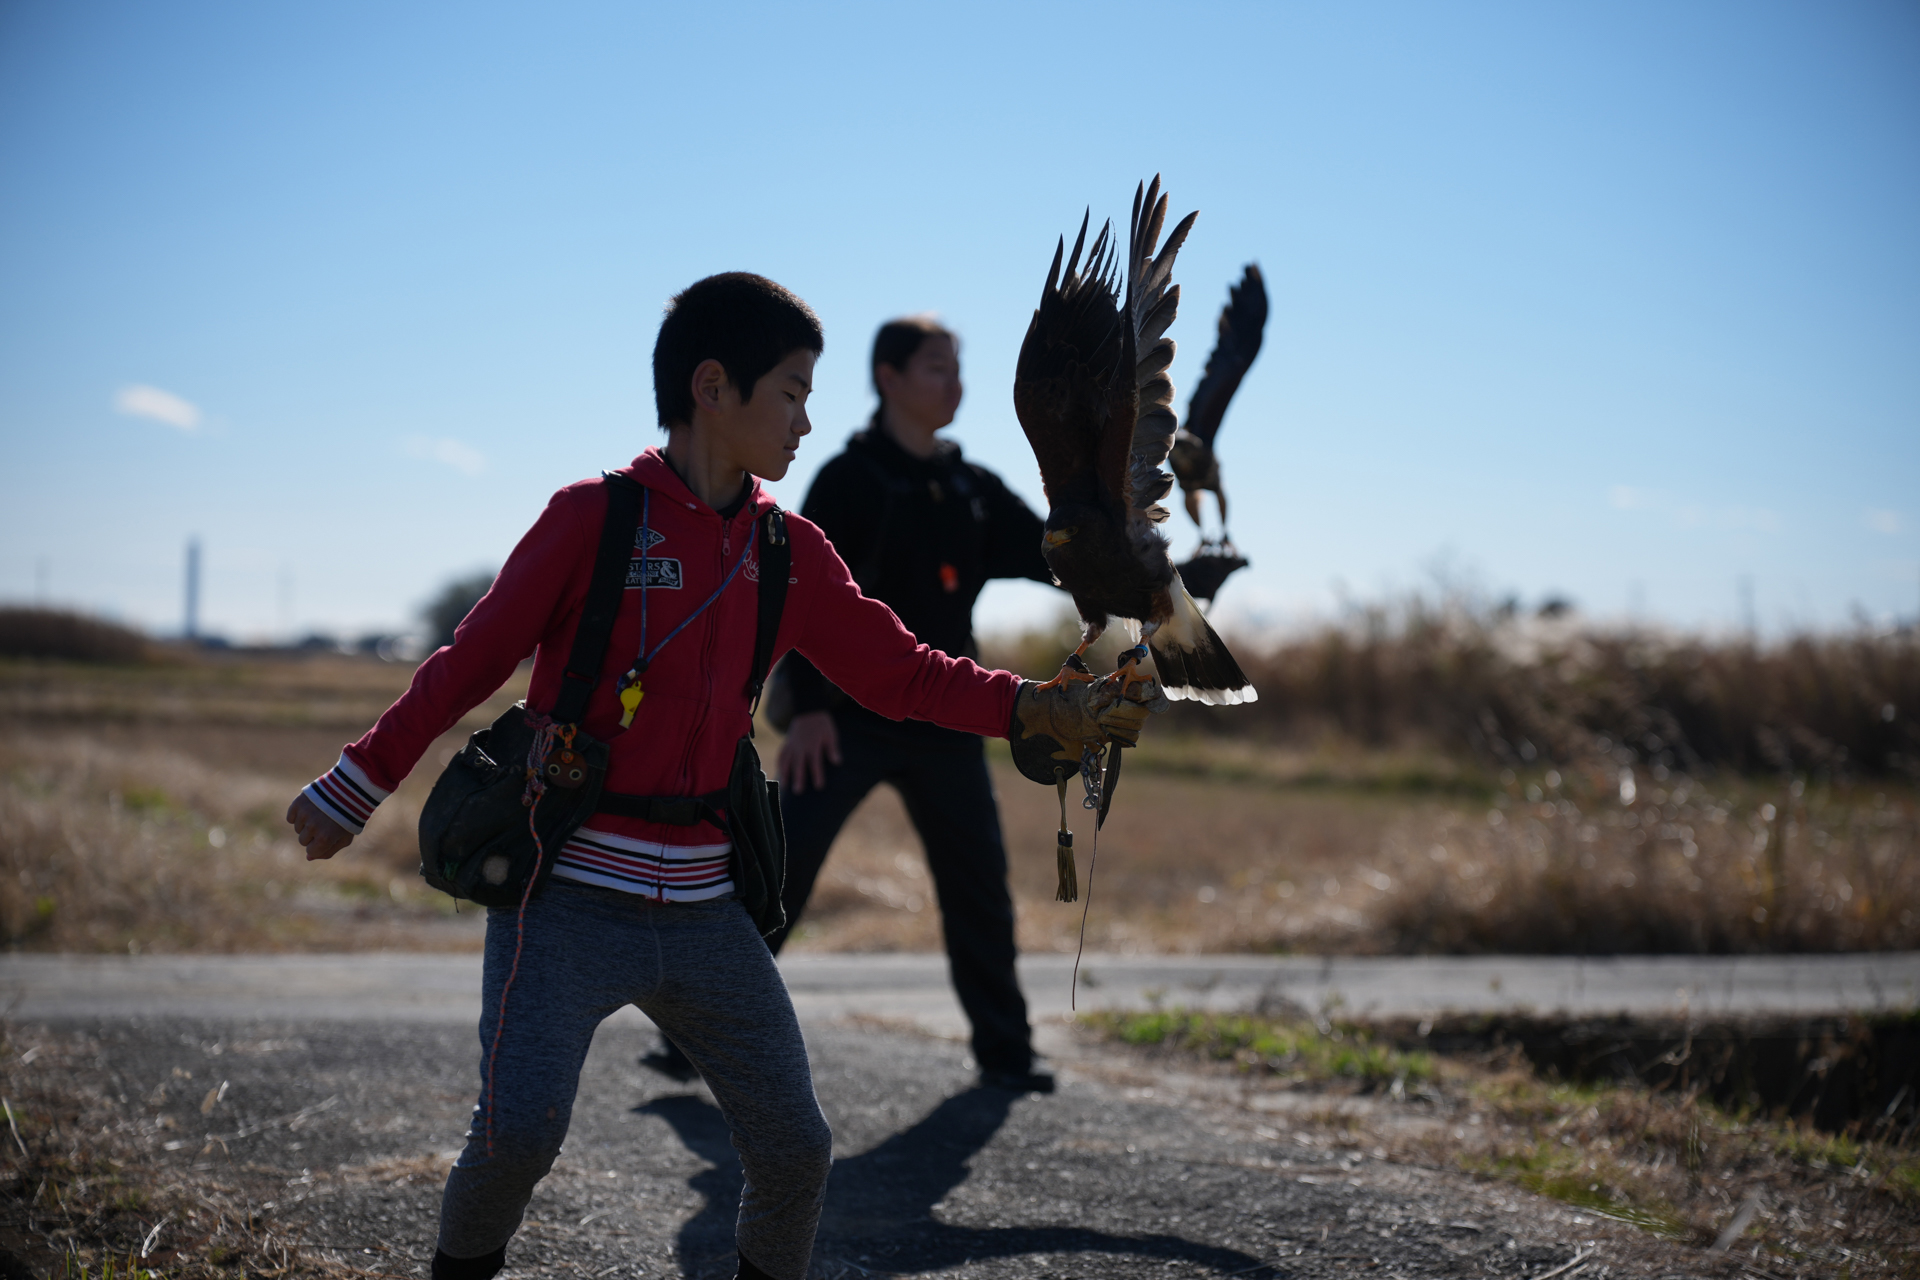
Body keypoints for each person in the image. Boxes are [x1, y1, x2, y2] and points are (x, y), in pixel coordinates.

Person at [283, 274, 1162, 1280]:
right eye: (791, 389)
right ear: (713, 386)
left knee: (796, 1150)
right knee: (516, 1135)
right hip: (562, 895)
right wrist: (355, 783)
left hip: (708, 910)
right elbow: (467, 664)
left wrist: (1033, 704)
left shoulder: (789, 549)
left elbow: (901, 669)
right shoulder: (591, 519)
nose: (806, 417)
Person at [641, 316, 1060, 1093]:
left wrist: (1159, 577)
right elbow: (785, 600)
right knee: (776, 882)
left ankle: (1006, 1054)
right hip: (840, 724)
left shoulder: (969, 488)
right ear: (888, 378)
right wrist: (803, 711)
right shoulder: (850, 479)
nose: (955, 384)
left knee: (980, 890)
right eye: (937, 368)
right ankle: (689, 1040)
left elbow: (1054, 556)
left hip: (942, 721)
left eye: (958, 369)